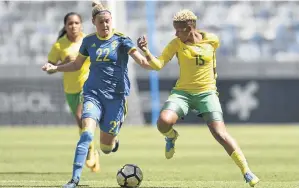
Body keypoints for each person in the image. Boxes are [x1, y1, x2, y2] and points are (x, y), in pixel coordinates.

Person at [137, 9, 260, 187]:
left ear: (190, 27)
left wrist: (213, 80)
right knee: (163, 121)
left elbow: (213, 63)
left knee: (220, 134)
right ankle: (171, 137)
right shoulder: (176, 44)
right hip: (183, 93)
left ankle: (246, 171)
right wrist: (146, 51)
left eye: (179, 30)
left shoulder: (212, 40)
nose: (175, 34)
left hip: (207, 93)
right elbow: (158, 65)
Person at [42, 1, 151, 188]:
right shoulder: (89, 41)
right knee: (86, 134)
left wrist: (146, 52)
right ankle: (74, 179)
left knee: (106, 148)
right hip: (92, 95)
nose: (105, 25)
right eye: (101, 22)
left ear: (111, 21)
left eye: (108, 21)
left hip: (116, 98)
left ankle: (113, 141)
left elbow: (143, 62)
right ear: (94, 22)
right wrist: (56, 68)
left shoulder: (122, 39)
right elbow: (76, 65)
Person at [47, 12, 99, 172]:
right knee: (81, 123)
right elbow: (50, 67)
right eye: (70, 23)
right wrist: (63, 63)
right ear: (65, 26)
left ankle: (91, 151)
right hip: (70, 90)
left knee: (82, 117)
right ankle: (93, 149)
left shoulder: (89, 40)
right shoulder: (59, 45)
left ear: (81, 25)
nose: (73, 26)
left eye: (77, 23)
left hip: (89, 86)